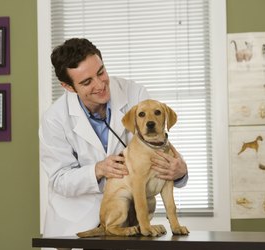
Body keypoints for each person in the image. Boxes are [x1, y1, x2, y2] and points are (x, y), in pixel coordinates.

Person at [39, 38, 188, 241]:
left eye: (101, 72)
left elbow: (158, 143)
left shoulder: (135, 93)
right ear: (68, 86)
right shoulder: (54, 119)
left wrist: (180, 171)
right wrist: (98, 170)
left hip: (131, 222)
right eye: (86, 82)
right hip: (76, 222)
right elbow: (58, 179)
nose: (100, 85)